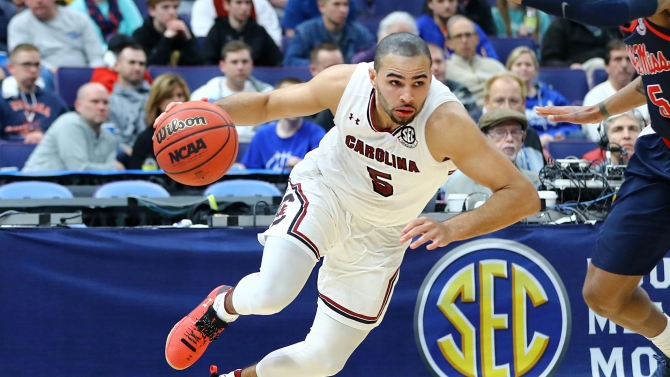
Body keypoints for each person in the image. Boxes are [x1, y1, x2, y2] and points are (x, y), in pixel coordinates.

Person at [160, 32, 539, 377]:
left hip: (383, 232)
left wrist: (453, 227)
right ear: (373, 77)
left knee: (324, 360)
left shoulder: (447, 123)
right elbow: (266, 103)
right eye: (395, 82)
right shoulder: (345, 84)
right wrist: (196, 113)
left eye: (419, 82)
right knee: (273, 293)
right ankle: (219, 310)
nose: (408, 95)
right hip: (326, 191)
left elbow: (523, 196)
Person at [509, 0, 670, 374]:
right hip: (659, 154)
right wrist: (598, 112)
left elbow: (599, 10)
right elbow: (654, 74)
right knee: (603, 294)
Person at [444, 108, 539, 207]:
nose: (510, 139)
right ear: (483, 138)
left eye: (515, 132)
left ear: (523, 137)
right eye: (500, 133)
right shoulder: (459, 187)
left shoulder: (538, 183)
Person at [22, 82, 122, 171]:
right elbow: (78, 170)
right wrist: (114, 167)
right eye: (95, 102)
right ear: (78, 106)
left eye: (106, 102)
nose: (101, 107)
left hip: (70, 188)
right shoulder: (69, 124)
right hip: (34, 186)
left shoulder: (109, 137)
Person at [240, 77, 325, 171]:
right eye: (288, 99)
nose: (294, 103)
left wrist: (303, 165)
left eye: (299, 98)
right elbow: (250, 171)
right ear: (276, 103)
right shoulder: (262, 134)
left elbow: (323, 170)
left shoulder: (316, 133)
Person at [506, 46, 582, 146]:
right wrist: (537, 139)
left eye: (528, 64)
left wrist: (559, 134)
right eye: (518, 64)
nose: (523, 68)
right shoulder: (507, 100)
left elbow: (574, 123)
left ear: (536, 70)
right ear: (509, 69)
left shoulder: (552, 96)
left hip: (555, 143)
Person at [583, 39, 649, 142]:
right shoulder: (594, 96)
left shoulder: (649, 92)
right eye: (618, 59)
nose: (624, 65)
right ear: (606, 66)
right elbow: (599, 137)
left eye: (628, 59)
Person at [8, 0, 105, 70]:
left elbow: (96, 56)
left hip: (83, 72)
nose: (38, 1)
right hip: (43, 75)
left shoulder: (78, 18)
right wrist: (51, 71)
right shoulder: (19, 24)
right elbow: (21, 59)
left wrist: (94, 73)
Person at [0, 44, 68, 143]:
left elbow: (65, 134)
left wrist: (44, 137)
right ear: (11, 67)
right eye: (26, 65)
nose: (33, 70)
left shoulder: (53, 100)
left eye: (36, 65)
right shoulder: (2, 99)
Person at [482, 72, 545, 172]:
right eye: (499, 100)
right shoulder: (472, 136)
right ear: (486, 103)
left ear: (523, 103)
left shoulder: (531, 136)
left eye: (513, 101)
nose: (507, 107)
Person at [282, 0, 374, 66]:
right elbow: (290, 61)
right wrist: (320, 64)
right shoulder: (305, 31)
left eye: (345, 4)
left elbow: (375, 58)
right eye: (336, 4)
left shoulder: (360, 33)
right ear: (321, 7)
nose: (342, 10)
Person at [128, 73, 189, 170]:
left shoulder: (197, 133)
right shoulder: (145, 140)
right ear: (157, 102)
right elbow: (137, 181)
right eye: (168, 97)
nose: (176, 100)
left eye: (180, 95)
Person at [445, 15, 506, 108]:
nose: (464, 40)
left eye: (468, 35)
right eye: (458, 36)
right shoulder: (445, 69)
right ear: (449, 43)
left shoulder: (495, 66)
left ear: (477, 39)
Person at [202, 0, 282, 67]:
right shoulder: (217, 30)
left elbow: (277, 61)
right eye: (238, 2)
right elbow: (207, 62)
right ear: (226, 5)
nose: (244, 8)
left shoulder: (259, 31)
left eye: (247, 3)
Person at [107, 43, 150, 157]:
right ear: (117, 65)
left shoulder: (156, 98)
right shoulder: (106, 101)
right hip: (119, 158)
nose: (137, 68)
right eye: (132, 62)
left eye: (142, 64)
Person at [416, 0, 498, 60]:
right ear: (430, 4)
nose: (447, 6)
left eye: (451, 1)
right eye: (440, 1)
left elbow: (491, 57)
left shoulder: (468, 25)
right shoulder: (419, 27)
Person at [132, 0, 202, 66]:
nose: (172, 12)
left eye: (175, 7)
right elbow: (149, 67)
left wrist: (188, 40)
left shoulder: (184, 31)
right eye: (165, 7)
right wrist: (166, 39)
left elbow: (199, 66)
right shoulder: (141, 35)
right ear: (152, 10)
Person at [427, 41, 480, 122]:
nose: (435, 67)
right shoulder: (415, 95)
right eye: (430, 63)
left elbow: (475, 120)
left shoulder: (460, 89)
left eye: (438, 62)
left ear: (445, 64)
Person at [67, 0, 143, 49]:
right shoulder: (75, 8)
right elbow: (82, 45)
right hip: (95, 59)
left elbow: (139, 33)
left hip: (128, 55)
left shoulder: (124, 2)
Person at [351, 10, 418, 64]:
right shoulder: (366, 57)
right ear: (383, 36)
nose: (401, 41)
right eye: (396, 35)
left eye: (407, 36)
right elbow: (355, 63)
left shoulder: (420, 59)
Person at [305, 42, 344, 132]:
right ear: (313, 69)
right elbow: (312, 133)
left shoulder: (355, 92)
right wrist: (331, 97)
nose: (338, 72)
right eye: (330, 68)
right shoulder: (302, 96)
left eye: (341, 66)